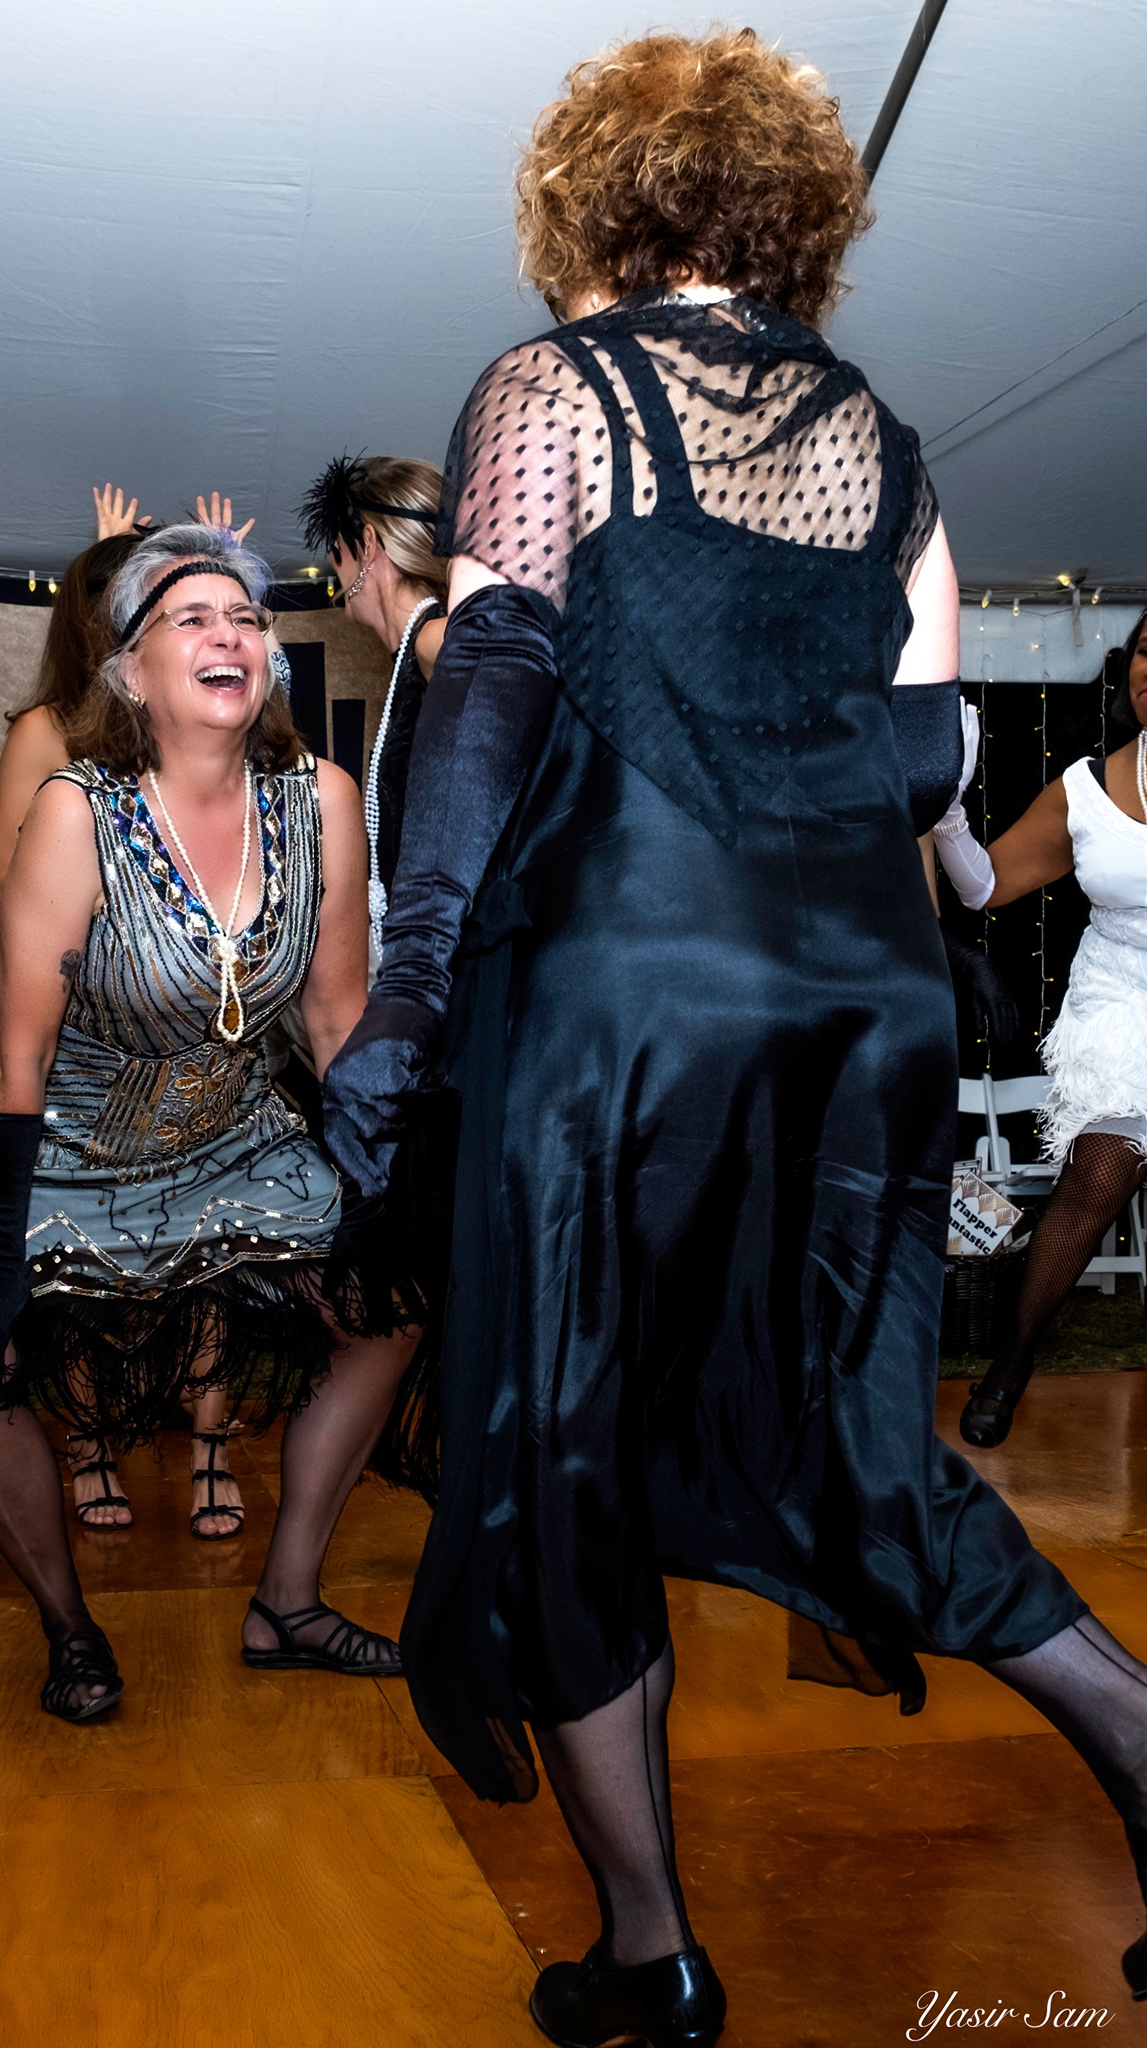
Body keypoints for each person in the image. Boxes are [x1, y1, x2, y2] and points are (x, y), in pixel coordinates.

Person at [321, 31, 1147, 2041]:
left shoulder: (555, 389)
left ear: (590, 205)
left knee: (564, 1437)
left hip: (628, 987)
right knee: (841, 1434)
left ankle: (650, 1952)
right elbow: (935, 755)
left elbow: (498, 683)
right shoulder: (890, 441)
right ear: (788, 212)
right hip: (855, 1000)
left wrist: (411, 985)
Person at [0, 523, 420, 1721]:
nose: (227, 633)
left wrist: (381, 1186)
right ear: (131, 672)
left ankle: (287, 1596)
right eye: (189, 619)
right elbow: (20, 1044)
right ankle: (70, 1624)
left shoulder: (323, 802)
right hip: (69, 1137)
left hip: (233, 1126)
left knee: (386, 1314)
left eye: (244, 619)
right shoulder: (77, 813)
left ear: (269, 666)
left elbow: (340, 1019)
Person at [0, 485, 258, 1537]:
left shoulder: (208, 725)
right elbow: (7, 888)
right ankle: (88, 1446)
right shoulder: (48, 729)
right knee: (78, 1247)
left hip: (193, 1030)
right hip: (84, 1026)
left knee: (216, 1236)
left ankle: (213, 1444)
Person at [937, 605, 1147, 1448]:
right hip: (1121, 1007)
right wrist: (950, 809)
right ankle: (1011, 1362)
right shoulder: (1086, 789)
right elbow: (983, 889)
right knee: (1097, 1177)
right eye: (1142, 651)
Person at [299, 456, 447, 965]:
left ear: (367, 546)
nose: (336, 576)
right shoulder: (413, 653)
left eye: (336, 555)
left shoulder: (435, 639)